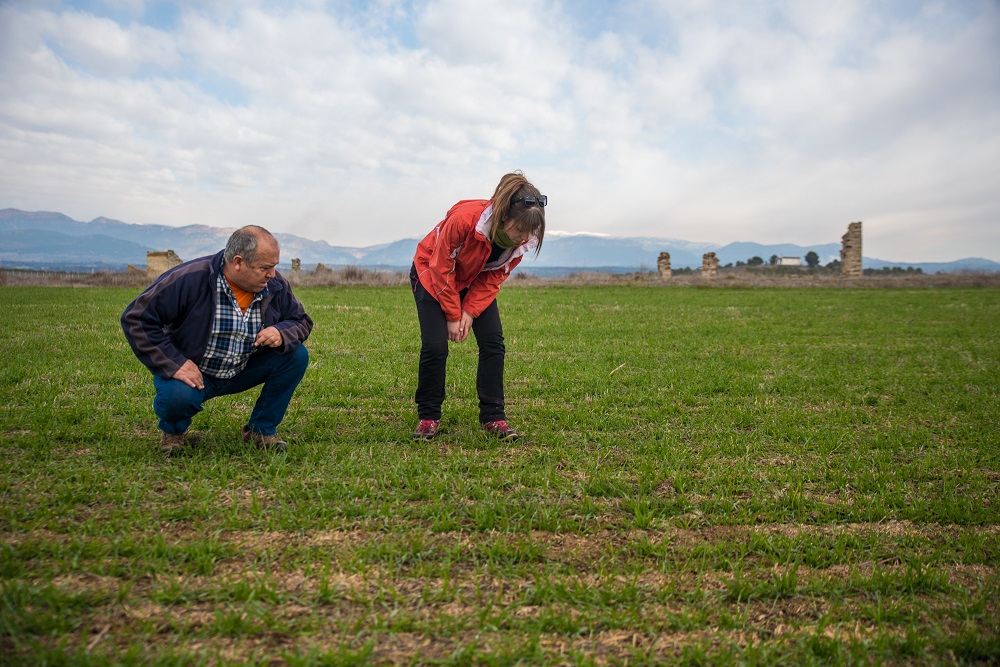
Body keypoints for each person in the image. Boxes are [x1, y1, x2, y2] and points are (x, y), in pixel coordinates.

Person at [121, 225, 312, 455]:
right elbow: (137, 318)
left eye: (274, 267)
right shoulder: (190, 278)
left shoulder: (274, 285)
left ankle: (261, 430)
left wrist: (282, 332)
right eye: (264, 268)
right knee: (177, 397)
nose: (272, 274)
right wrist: (174, 363)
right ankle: (173, 433)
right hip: (195, 373)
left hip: (242, 368)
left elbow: (300, 320)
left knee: (296, 356)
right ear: (238, 262)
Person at [410, 171, 546, 442]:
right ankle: (428, 416)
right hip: (432, 273)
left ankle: (493, 417)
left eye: (529, 233)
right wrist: (452, 314)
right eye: (519, 230)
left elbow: (494, 276)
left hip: (473, 279)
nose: (523, 238)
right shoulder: (465, 221)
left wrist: (470, 311)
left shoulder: (518, 245)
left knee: (493, 342)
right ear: (503, 216)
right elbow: (442, 265)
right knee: (436, 347)